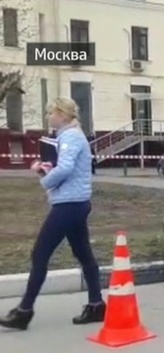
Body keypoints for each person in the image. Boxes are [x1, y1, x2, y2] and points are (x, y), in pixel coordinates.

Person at [0, 98, 105, 331]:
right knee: (83, 254)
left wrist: (45, 179)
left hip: (68, 205)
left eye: (51, 113)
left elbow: (66, 168)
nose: (48, 117)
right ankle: (96, 305)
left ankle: (24, 312)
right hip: (75, 203)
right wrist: (46, 170)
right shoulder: (72, 136)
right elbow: (69, 167)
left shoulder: (70, 136)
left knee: (40, 254)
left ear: (62, 114)